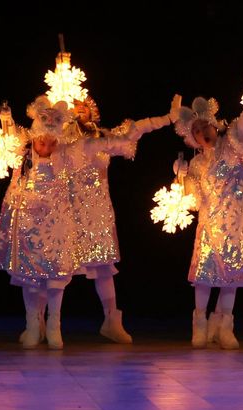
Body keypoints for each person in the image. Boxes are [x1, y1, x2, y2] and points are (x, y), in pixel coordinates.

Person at [172, 75, 243, 349]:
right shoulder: (198, 165)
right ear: (193, 138)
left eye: (207, 126)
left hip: (235, 228)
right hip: (209, 227)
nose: (204, 132)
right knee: (204, 278)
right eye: (198, 130)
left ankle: (225, 327)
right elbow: (193, 200)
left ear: (214, 126)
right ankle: (199, 326)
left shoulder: (231, 147)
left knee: (232, 279)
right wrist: (181, 180)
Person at [62, 96, 171, 344]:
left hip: (97, 212)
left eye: (85, 107)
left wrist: (167, 118)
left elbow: (135, 130)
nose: (81, 109)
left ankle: (112, 320)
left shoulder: (103, 138)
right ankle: (46, 322)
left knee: (103, 267)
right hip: (66, 210)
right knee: (57, 265)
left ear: (93, 112)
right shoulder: (61, 140)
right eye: (74, 108)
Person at [0, 96, 75, 349]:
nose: (43, 144)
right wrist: (6, 119)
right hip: (29, 226)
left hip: (56, 228)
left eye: (49, 140)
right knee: (30, 278)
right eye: (40, 139)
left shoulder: (65, 159)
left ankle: (54, 325)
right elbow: (11, 135)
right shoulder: (25, 160)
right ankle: (32, 325)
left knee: (56, 277)